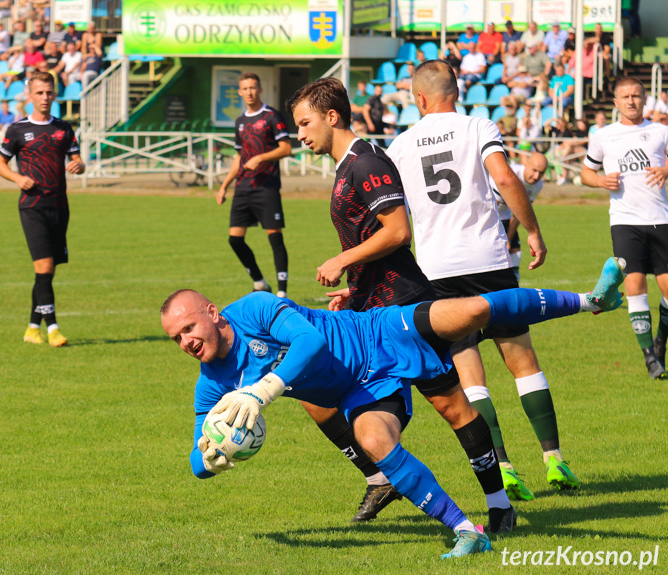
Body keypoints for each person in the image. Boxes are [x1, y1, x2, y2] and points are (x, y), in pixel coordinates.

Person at [162, 263, 625, 555]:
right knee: (374, 441)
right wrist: (210, 459)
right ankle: (469, 531)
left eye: (188, 327)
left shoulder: (254, 308)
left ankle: (592, 300)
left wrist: (262, 390)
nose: (186, 342)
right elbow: (196, 454)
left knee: (471, 312)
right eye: (176, 338)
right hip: (360, 391)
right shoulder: (214, 384)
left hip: (377, 332)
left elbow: (311, 341)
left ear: (213, 311)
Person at [286, 77, 518, 530]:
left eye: (304, 123)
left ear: (332, 117)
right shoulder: (344, 166)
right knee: (313, 392)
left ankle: (499, 506)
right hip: (368, 313)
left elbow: (397, 231)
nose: (299, 133)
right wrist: (354, 288)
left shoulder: (367, 160)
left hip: (404, 310)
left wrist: (342, 260)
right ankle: (379, 476)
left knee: (454, 409)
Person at [386, 60, 579, 502]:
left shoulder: (400, 145)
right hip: (488, 260)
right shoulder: (477, 126)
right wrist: (532, 230)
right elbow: (506, 178)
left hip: (436, 270)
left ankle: (505, 466)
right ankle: (553, 458)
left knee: (469, 372)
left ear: (418, 99)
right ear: (457, 92)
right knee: (522, 360)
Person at [581, 77, 668, 379]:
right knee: (635, 285)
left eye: (636, 95)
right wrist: (599, 181)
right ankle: (649, 357)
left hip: (661, 219)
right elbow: (585, 173)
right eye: (625, 96)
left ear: (645, 100)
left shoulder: (660, 132)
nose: (631, 101)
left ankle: (660, 343)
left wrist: (666, 169)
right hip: (625, 221)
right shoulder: (604, 136)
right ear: (615, 102)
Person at [0, 69, 84, 347]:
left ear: (54, 94)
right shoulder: (17, 129)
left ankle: (32, 328)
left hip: (60, 206)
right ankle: (53, 328)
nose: (45, 97)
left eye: (49, 92)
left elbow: (77, 160)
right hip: (32, 206)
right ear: (30, 95)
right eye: (39, 93)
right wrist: (16, 177)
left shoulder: (64, 129)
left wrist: (79, 166)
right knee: (44, 267)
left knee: (47, 272)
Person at [216, 72, 292, 298]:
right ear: (239, 92)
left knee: (274, 236)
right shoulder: (240, 122)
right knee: (235, 239)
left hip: (266, 186)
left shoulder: (271, 116)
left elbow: (286, 148)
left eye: (253, 88)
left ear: (259, 90)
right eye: (245, 89)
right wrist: (224, 186)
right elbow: (238, 158)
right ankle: (259, 281)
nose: (249, 92)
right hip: (243, 188)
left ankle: (282, 292)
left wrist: (261, 158)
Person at [490, 153, 548, 281]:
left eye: (541, 173)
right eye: (534, 170)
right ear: (525, 164)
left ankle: (514, 284)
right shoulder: (508, 173)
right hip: (489, 218)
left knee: (515, 252)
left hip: (505, 217)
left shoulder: (538, 185)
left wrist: (509, 239)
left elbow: (520, 214)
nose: (536, 176)